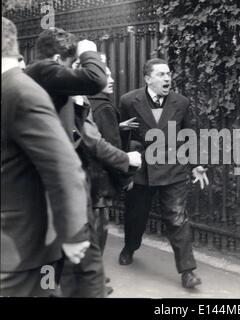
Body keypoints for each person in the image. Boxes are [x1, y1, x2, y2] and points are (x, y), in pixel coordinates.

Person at [25, 28, 141, 297]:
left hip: (50, 189)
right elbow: (91, 139)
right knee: (73, 260)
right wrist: (87, 49)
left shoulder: (35, 83)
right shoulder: (47, 75)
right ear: (58, 59)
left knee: (63, 261)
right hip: (61, 190)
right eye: (72, 65)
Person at [1, 17, 89, 297]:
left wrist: (74, 234)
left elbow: (63, 163)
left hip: (21, 251)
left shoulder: (20, 91)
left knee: (48, 286)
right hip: (21, 250)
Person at [119, 58, 209, 288]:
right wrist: (124, 165)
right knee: (136, 216)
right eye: (161, 74)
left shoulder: (181, 102)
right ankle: (130, 247)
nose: (167, 78)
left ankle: (188, 271)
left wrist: (196, 164)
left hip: (173, 169)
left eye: (169, 74)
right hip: (142, 170)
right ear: (148, 79)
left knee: (177, 217)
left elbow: (189, 135)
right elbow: (121, 138)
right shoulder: (129, 101)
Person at [87, 54, 131, 296]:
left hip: (85, 181)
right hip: (100, 184)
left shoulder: (85, 103)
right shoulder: (104, 107)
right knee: (99, 232)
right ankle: (96, 282)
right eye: (107, 75)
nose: (112, 79)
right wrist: (126, 178)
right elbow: (112, 146)